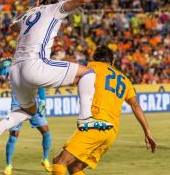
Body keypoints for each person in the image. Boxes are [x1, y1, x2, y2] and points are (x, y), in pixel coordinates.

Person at [0, 0, 138, 158]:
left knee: (28, 111)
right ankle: (85, 119)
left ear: (38, 0)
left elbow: (12, 27)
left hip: (15, 72)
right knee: (87, 73)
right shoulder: (54, 8)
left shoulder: (28, 15)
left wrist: (33, 8)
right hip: (35, 65)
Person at [52, 46, 157, 175]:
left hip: (95, 125)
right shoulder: (125, 79)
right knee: (75, 168)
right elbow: (136, 105)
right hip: (111, 132)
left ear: (94, 59)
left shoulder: (92, 67)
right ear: (112, 62)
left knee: (59, 162)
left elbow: (71, 78)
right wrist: (147, 131)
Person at [4, 87, 52, 175]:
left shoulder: (32, 74)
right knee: (13, 136)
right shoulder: (14, 75)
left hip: (33, 106)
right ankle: (8, 165)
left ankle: (45, 159)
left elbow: (40, 86)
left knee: (46, 132)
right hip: (17, 108)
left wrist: (42, 102)